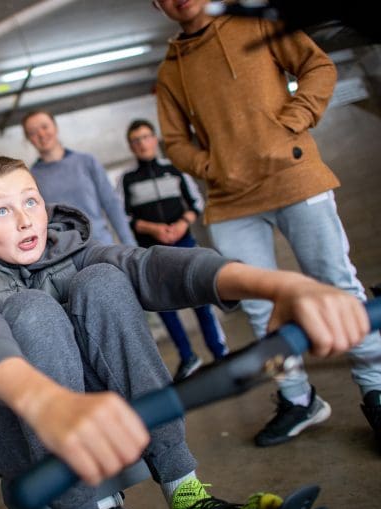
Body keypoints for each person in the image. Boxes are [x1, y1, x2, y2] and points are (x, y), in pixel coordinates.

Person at [0, 155, 369, 509]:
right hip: (13, 427)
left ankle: (185, 492)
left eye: (30, 202)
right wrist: (46, 402)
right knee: (31, 310)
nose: (25, 221)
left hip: (90, 404)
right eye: (2, 211)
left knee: (103, 280)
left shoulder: (70, 249)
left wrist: (281, 285)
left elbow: (150, 266)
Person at [153, 0, 381, 448]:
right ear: (157, 5)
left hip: (295, 177)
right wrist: (210, 166)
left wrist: (293, 120)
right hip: (230, 199)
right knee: (259, 308)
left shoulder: (255, 22)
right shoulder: (170, 71)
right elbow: (175, 142)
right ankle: (297, 398)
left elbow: (318, 66)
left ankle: (376, 387)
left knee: (336, 285)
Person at [122, 119, 228, 381]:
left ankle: (219, 353)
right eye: (136, 140)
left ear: (154, 139)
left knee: (200, 300)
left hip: (184, 245)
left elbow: (196, 203)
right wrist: (152, 229)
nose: (142, 143)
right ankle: (188, 357)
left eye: (146, 137)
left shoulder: (175, 169)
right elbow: (124, 216)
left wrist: (181, 224)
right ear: (131, 146)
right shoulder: (126, 180)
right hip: (150, 252)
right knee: (164, 307)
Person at [22, 109, 137, 247]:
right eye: (33, 132)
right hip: (63, 253)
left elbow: (111, 204)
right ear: (28, 139)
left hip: (101, 245)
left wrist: (130, 245)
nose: (41, 134)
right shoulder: (30, 178)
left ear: (55, 127)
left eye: (45, 127)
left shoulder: (87, 161)